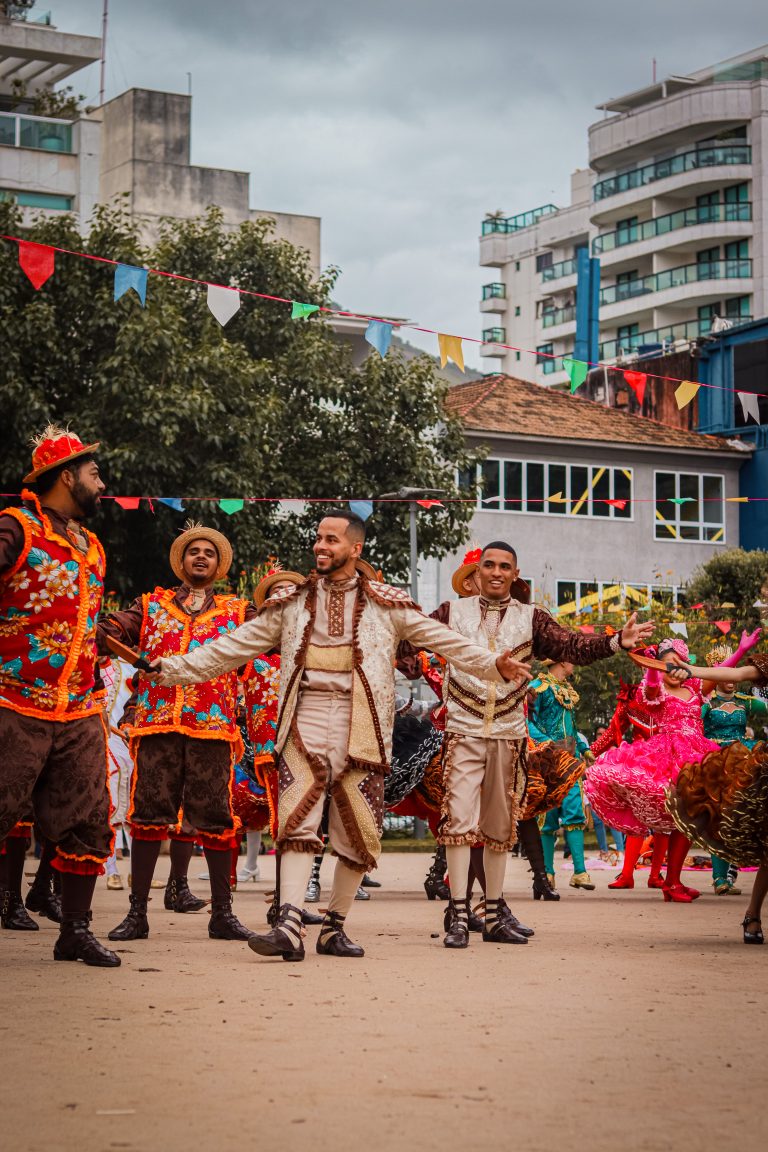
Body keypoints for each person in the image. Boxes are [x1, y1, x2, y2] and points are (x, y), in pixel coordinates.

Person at [146, 511, 531, 963]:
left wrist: (492, 664)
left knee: (359, 829)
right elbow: (233, 647)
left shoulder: (388, 604)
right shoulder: (290, 602)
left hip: (363, 724)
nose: (320, 546)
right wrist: (171, 669)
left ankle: (334, 927)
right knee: (295, 819)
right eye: (319, 539)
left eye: (331, 539)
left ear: (355, 548)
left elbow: (444, 641)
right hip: (304, 719)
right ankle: (288, 923)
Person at [400, 540, 653, 947]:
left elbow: (571, 646)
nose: (496, 572)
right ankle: (460, 913)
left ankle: (496, 911)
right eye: (489, 565)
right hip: (463, 731)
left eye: (505, 567)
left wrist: (615, 641)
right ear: (477, 572)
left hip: (509, 734)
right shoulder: (450, 613)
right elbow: (408, 645)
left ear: (515, 575)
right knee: (458, 823)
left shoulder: (531, 618)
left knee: (500, 825)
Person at [97, 521, 256, 942]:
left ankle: (222, 915)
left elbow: (276, 637)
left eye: (208, 552)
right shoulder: (150, 607)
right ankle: (137, 915)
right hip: (156, 725)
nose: (200, 556)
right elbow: (114, 630)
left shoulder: (239, 612)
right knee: (148, 816)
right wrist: (106, 633)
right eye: (193, 551)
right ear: (182, 562)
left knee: (217, 818)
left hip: (213, 729)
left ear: (218, 564)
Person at [0, 426, 120, 967]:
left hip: (78, 707)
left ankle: (74, 930)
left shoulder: (91, 545)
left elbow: (84, 623)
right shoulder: (14, 528)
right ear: (68, 476)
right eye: (95, 473)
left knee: (89, 818)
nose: (103, 482)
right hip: (11, 699)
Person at [586, 636, 736, 903]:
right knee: (680, 814)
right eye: (668, 666)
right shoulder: (657, 691)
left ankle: (672, 881)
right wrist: (655, 665)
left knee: (693, 817)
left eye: (678, 665)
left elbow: (721, 672)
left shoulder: (694, 687)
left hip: (699, 754)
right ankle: (665, 882)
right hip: (669, 755)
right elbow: (652, 686)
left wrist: (742, 650)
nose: (674, 670)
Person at [700, 641, 768, 895]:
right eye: (723, 671)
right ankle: (720, 879)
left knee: (738, 816)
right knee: (716, 817)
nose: (730, 679)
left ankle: (731, 873)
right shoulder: (706, 703)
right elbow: (691, 722)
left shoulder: (746, 701)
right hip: (715, 765)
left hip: (742, 764)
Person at [589, 671, 667, 890]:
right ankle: (626, 875)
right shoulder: (630, 697)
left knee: (665, 819)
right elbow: (613, 731)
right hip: (638, 765)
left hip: (666, 761)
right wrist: (588, 752)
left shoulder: (673, 694)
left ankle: (655, 875)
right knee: (636, 818)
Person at [528, 661, 595, 892]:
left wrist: (584, 749)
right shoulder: (537, 687)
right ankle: (547, 873)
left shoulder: (566, 689)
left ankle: (580, 872)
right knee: (547, 818)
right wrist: (545, 742)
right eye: (571, 659)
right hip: (547, 760)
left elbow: (572, 726)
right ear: (562, 662)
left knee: (575, 813)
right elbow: (526, 721)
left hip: (571, 759)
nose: (574, 664)